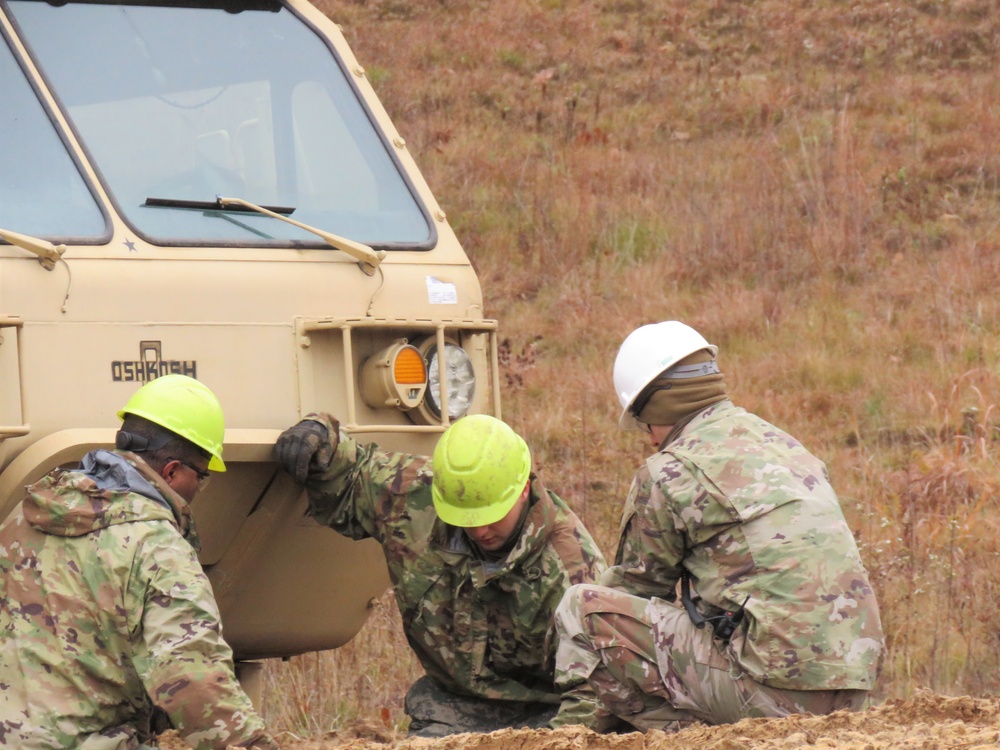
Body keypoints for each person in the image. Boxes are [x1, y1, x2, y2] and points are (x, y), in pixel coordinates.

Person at [554, 321, 884, 732]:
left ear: (657, 408)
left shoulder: (668, 472)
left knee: (581, 610)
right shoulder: (787, 446)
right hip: (853, 691)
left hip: (772, 692)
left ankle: (689, 738)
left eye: (644, 424)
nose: (650, 440)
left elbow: (632, 592)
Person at [273, 412, 607, 737]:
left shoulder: (572, 570)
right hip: (452, 711)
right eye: (466, 517)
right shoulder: (415, 497)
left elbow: (595, 694)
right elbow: (352, 472)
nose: (480, 530)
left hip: (545, 713)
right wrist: (319, 434)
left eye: (492, 515)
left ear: (522, 490)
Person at [0, 374, 278, 750]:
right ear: (173, 471)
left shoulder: (26, 514)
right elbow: (191, 677)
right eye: (203, 475)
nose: (200, 487)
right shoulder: (157, 547)